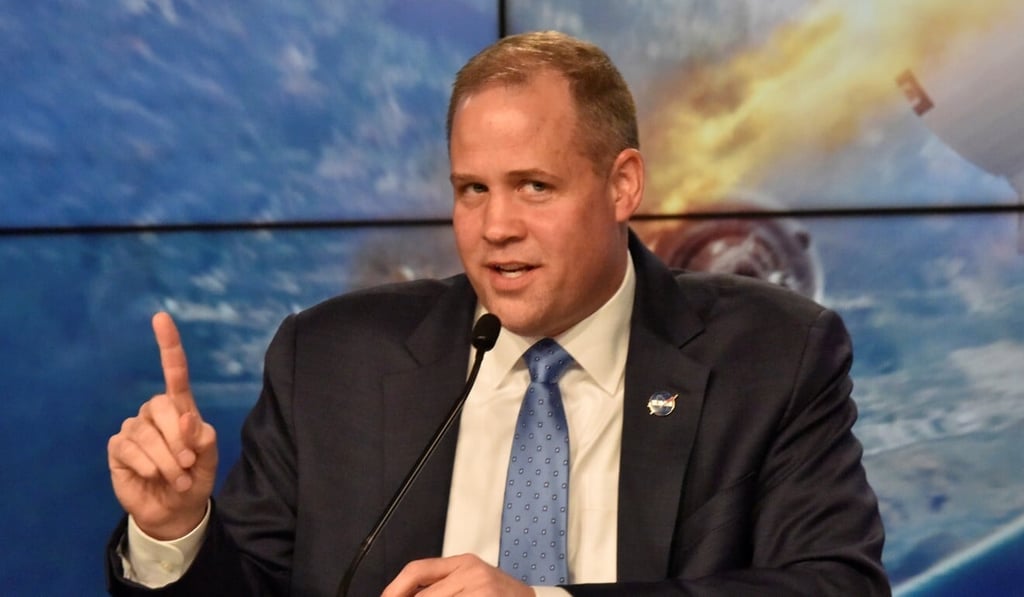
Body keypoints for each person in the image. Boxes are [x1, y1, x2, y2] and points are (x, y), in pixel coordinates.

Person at [106, 31, 889, 596]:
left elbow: (834, 583)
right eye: (472, 189)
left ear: (623, 186)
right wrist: (176, 531)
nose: (495, 226)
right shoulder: (331, 360)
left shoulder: (773, 355)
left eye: (534, 186)